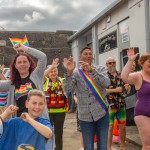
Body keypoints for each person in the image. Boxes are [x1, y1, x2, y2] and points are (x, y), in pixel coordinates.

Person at [63, 46, 110, 150]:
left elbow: (107, 83)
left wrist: (92, 71)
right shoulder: (75, 73)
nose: (88, 55)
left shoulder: (100, 69)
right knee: (88, 146)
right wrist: (69, 73)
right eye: (85, 53)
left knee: (103, 146)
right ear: (80, 56)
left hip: (102, 112)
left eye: (90, 53)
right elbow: (67, 90)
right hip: (85, 116)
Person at [0, 43, 48, 118]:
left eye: (25, 62)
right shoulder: (12, 83)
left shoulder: (36, 76)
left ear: (29, 64)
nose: (22, 64)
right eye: (19, 62)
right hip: (20, 122)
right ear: (15, 66)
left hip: (38, 121)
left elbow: (43, 57)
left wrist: (25, 48)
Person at [121, 48, 150, 150]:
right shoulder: (138, 76)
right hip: (143, 114)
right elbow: (124, 77)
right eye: (149, 61)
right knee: (148, 145)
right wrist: (130, 61)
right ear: (142, 63)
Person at [105, 57, 130, 150]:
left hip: (121, 104)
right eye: (109, 63)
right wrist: (115, 90)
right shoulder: (104, 76)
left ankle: (123, 146)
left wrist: (126, 88)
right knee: (110, 128)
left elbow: (126, 88)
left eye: (113, 62)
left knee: (122, 127)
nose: (112, 64)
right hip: (110, 106)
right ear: (106, 65)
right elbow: (102, 91)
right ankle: (108, 147)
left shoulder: (121, 75)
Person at [43, 58, 67, 150]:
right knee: (47, 132)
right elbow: (41, 75)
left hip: (60, 111)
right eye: (51, 71)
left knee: (59, 132)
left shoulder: (62, 80)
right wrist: (52, 66)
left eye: (55, 71)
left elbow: (70, 81)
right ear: (48, 73)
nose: (53, 73)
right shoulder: (45, 81)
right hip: (48, 111)